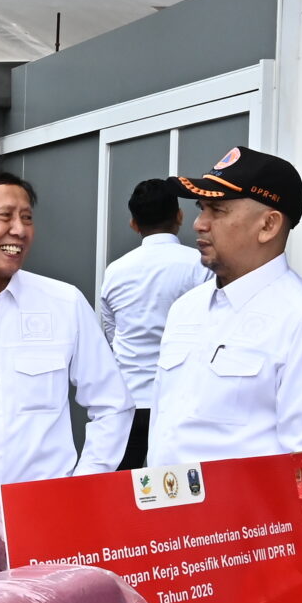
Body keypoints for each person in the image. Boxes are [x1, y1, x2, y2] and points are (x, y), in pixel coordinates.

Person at [145, 146, 302, 464]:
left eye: (217, 210)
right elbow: (165, 425)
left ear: (268, 225)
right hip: (163, 509)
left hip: (243, 515)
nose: (199, 223)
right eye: (201, 209)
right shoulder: (186, 308)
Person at [0, 169, 132, 481]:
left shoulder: (64, 303)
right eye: (5, 216)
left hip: (42, 507)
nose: (19, 230)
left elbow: (113, 404)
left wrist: (84, 482)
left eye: (27, 218)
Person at [97, 177, 209, 468]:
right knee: (178, 490)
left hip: (128, 396)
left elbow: (111, 332)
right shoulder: (200, 265)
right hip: (181, 398)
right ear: (180, 217)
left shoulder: (115, 271)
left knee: (120, 488)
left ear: (134, 223)